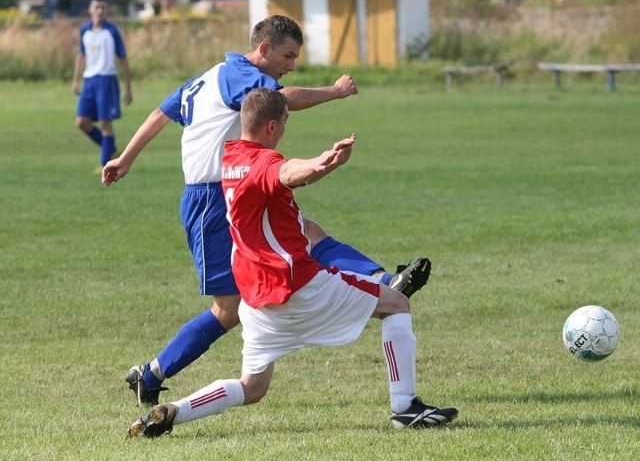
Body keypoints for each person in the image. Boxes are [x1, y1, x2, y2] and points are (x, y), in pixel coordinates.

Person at [102, 15, 431, 408]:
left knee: (307, 231)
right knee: (228, 310)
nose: (290, 65)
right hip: (212, 199)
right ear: (263, 49)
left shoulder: (211, 75)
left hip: (232, 185)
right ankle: (152, 373)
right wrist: (336, 91)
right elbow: (282, 100)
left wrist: (126, 158)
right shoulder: (237, 74)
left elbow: (160, 114)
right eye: (287, 55)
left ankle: (383, 279)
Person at [126, 88, 458, 438]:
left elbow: (284, 181)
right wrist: (322, 162)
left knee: (252, 388)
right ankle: (405, 406)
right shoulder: (264, 163)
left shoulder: (231, 158)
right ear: (271, 126)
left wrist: (319, 169)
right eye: (285, 121)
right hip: (297, 286)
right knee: (396, 304)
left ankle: (176, 411)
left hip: (255, 299)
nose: (286, 128)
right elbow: (288, 172)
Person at [72, 0, 132, 171]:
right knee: (81, 122)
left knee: (106, 124)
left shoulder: (112, 31)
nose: (100, 11)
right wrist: (76, 81)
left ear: (106, 11)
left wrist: (128, 88)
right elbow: (81, 55)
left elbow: (123, 59)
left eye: (103, 8)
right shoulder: (85, 30)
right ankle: (111, 149)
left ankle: (105, 163)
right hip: (89, 81)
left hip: (107, 80)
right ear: (90, 10)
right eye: (96, 7)